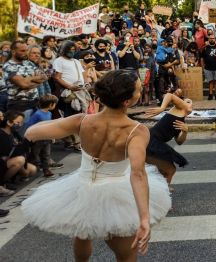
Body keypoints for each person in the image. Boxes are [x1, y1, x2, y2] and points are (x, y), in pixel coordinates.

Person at [22, 70, 171, 261]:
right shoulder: (136, 131)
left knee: (82, 233)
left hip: (81, 187)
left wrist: (49, 124)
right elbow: (138, 174)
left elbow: (31, 133)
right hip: (117, 194)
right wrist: (144, 219)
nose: (140, 93)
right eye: (138, 90)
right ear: (126, 101)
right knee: (126, 255)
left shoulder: (82, 121)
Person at [144, 89, 191, 185]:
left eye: (190, 102)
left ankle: (160, 189)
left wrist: (185, 132)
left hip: (153, 142)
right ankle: (164, 191)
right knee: (170, 170)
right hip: (152, 142)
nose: (188, 104)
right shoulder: (180, 108)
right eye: (187, 101)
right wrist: (161, 108)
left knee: (163, 171)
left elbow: (179, 142)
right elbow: (169, 95)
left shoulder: (181, 121)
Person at [24, 94, 59, 177]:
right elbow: (29, 125)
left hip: (46, 138)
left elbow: (49, 126)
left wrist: (52, 136)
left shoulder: (49, 114)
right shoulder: (38, 114)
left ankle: (46, 170)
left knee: (46, 155)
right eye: (54, 104)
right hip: (37, 139)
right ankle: (29, 169)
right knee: (34, 155)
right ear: (51, 104)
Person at [201, 33, 216, 100]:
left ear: (215, 39)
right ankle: (210, 94)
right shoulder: (205, 48)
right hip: (208, 68)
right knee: (210, 82)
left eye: (213, 38)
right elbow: (202, 58)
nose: (212, 39)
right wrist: (203, 68)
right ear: (208, 39)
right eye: (210, 38)